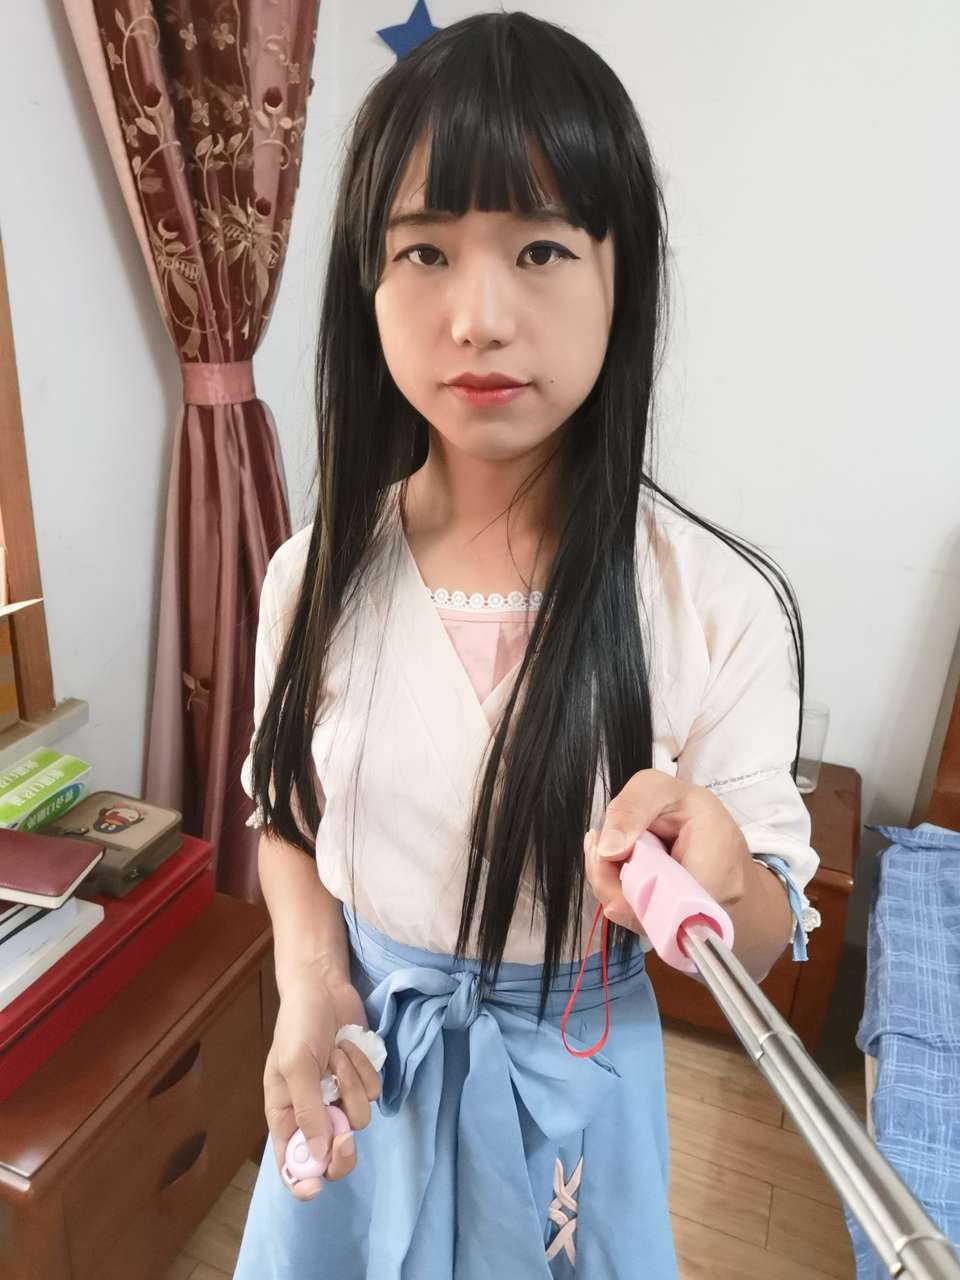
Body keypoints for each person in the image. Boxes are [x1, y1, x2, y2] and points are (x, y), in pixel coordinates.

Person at [233, 11, 821, 1278]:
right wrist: (310, 977)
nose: (478, 317)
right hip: (367, 1074)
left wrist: (723, 871)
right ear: (367, 284)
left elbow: (768, 928)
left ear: (623, 275)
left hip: (575, 1100)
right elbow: (285, 813)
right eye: (424, 251)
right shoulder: (309, 579)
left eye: (542, 247)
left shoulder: (714, 604)